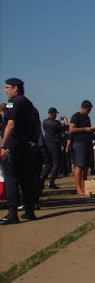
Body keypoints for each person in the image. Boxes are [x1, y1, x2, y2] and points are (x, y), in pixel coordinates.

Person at [0, 78, 41, 225]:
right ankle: (29, 210)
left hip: (15, 143)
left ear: (15, 88)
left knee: (11, 177)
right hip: (28, 145)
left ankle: (12, 213)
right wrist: (33, 144)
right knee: (27, 178)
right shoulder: (29, 104)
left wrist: (3, 146)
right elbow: (37, 127)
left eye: (7, 87)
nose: (5, 90)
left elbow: (11, 124)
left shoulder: (12, 102)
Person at [69, 100, 95, 195]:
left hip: (87, 143)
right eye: (88, 110)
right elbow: (71, 129)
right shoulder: (76, 116)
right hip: (79, 143)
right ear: (83, 108)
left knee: (86, 166)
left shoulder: (87, 117)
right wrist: (85, 129)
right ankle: (78, 188)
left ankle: (84, 186)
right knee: (79, 166)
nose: (89, 112)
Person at [42, 107, 68, 189]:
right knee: (56, 164)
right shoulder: (55, 124)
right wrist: (65, 120)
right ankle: (51, 181)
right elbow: (66, 128)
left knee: (48, 164)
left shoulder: (45, 122)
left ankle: (41, 180)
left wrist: (57, 121)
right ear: (53, 113)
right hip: (55, 145)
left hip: (46, 144)